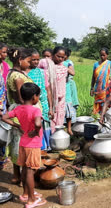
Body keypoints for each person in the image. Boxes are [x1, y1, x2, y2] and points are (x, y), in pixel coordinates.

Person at [2, 82, 47, 207]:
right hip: (32, 145)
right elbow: (38, 123)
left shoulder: (18, 108)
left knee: (25, 169)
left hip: (23, 143)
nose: (38, 98)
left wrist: (17, 126)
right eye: (38, 96)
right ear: (34, 97)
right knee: (30, 171)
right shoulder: (36, 110)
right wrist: (36, 131)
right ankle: (32, 200)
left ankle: (26, 194)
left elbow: (4, 117)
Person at [6, 47, 34, 184]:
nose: (29, 64)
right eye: (28, 61)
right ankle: (25, 178)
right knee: (22, 146)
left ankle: (17, 175)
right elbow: (22, 99)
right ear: (20, 60)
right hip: (22, 114)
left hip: (16, 113)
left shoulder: (13, 73)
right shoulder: (17, 77)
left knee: (16, 144)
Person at [25, 49, 53, 150]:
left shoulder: (42, 72)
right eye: (33, 60)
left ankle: (46, 147)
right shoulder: (24, 73)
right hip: (30, 104)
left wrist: (50, 107)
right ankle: (38, 147)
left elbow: (47, 89)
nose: (36, 62)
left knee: (44, 124)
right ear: (28, 59)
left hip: (43, 103)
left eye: (37, 59)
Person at [90, 48, 111, 115]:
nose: (102, 57)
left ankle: (104, 118)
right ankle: (97, 117)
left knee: (105, 104)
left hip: (106, 88)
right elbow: (93, 77)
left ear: (107, 55)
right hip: (97, 89)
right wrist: (91, 88)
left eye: (104, 55)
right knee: (97, 104)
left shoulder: (109, 63)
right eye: (101, 55)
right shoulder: (96, 64)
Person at [50, 46, 68, 133]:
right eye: (58, 56)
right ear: (53, 55)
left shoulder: (64, 68)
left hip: (62, 97)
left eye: (62, 57)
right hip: (50, 97)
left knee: (60, 115)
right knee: (51, 117)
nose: (60, 59)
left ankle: (58, 134)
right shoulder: (48, 67)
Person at [63, 49, 79, 136]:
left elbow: (72, 73)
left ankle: (69, 128)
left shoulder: (68, 63)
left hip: (67, 86)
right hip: (58, 87)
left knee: (68, 107)